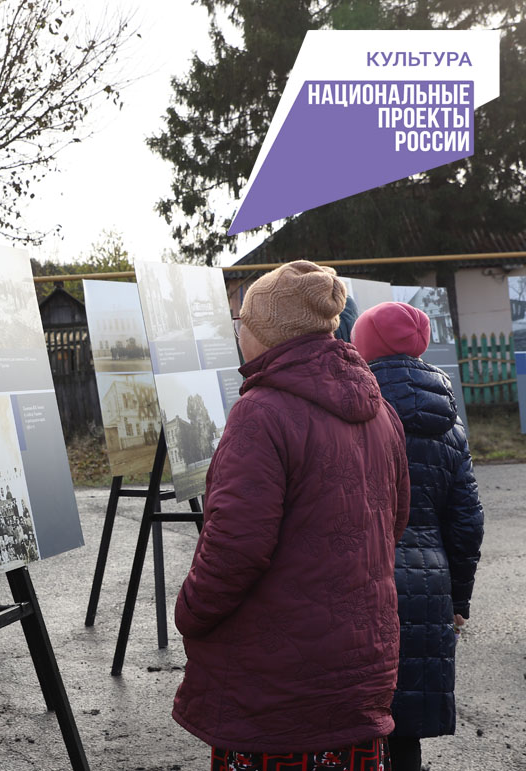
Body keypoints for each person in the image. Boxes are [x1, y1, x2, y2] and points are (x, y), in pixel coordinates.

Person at [173, 261, 411, 770]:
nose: (238, 334)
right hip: (361, 667)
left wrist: (190, 610)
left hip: (276, 686)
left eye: (243, 323)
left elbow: (234, 546)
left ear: (266, 334)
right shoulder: (381, 409)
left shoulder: (261, 412)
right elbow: (395, 521)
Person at [351, 301, 485, 771]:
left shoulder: (353, 412)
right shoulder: (450, 425)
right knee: (406, 716)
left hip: (363, 574)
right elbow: (467, 522)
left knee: (360, 708)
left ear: (362, 344)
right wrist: (458, 601)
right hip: (430, 582)